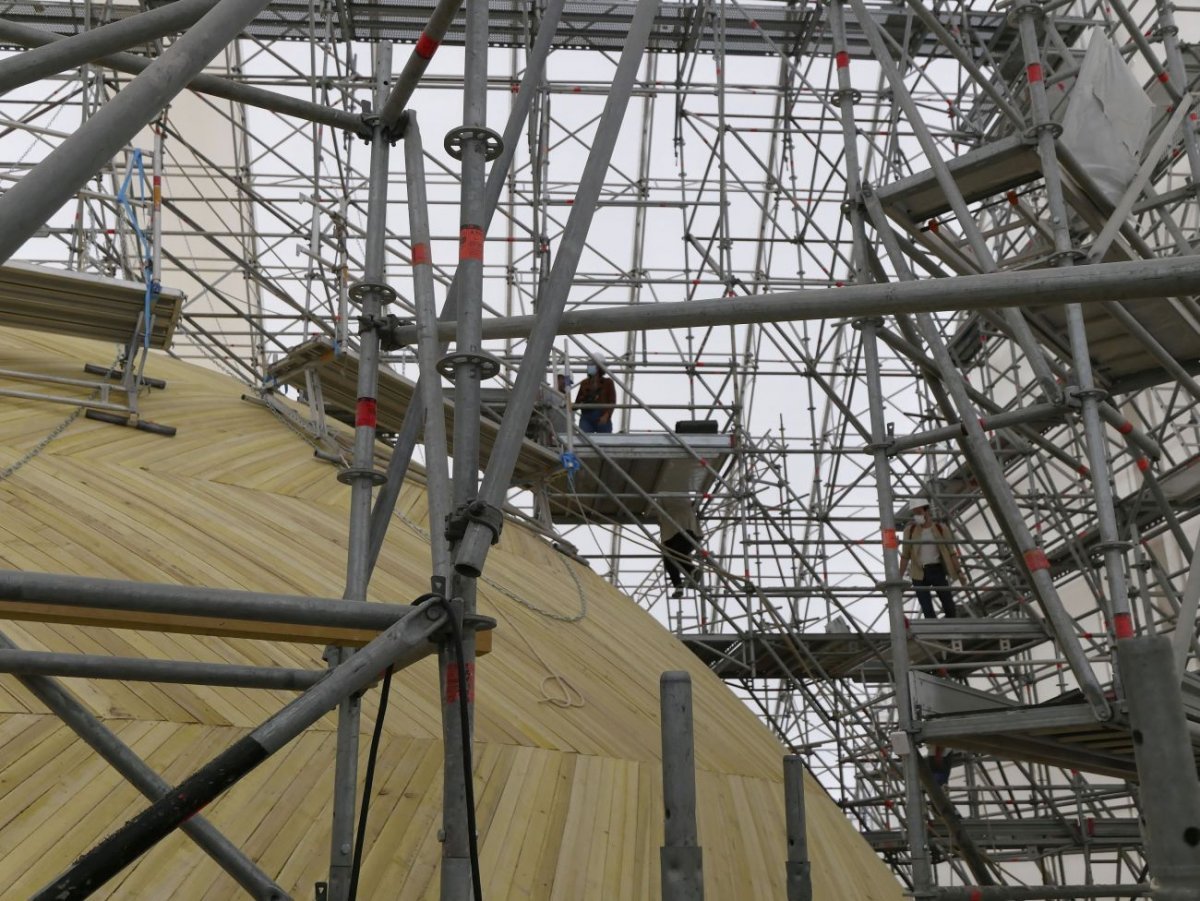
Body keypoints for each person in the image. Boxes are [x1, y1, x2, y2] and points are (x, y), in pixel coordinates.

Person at [899, 498, 964, 619]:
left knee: (949, 604)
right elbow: (905, 555)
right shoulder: (910, 530)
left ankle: (949, 631)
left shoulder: (941, 528)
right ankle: (938, 635)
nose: (917, 516)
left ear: (926, 511)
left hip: (937, 569)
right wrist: (899, 577)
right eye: (914, 513)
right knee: (927, 608)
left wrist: (959, 571)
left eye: (919, 512)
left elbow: (951, 552)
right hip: (918, 572)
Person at [658, 496, 701, 599]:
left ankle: (689, 573)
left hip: (678, 533)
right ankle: (680, 584)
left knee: (671, 556)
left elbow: (659, 517)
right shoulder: (685, 501)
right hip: (690, 534)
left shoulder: (663, 500)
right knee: (672, 557)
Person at [574, 355, 616, 433]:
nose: (589, 366)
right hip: (586, 416)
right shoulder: (584, 383)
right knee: (584, 441)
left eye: (592, 364)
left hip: (602, 415)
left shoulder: (608, 383)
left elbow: (612, 401)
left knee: (604, 442)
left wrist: (606, 416)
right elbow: (577, 403)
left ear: (599, 366)